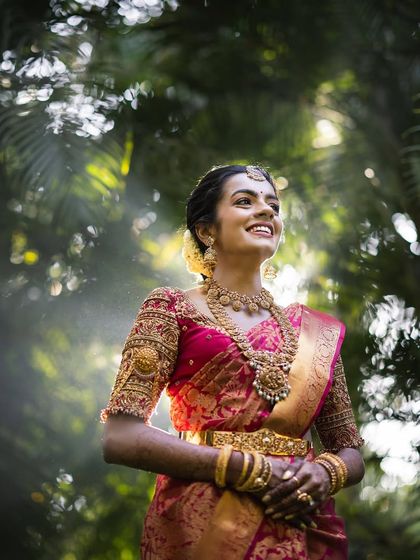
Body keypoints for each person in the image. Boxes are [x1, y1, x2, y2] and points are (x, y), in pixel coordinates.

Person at [101, 164, 365, 560]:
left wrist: (325, 473)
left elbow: (350, 451)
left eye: (273, 205)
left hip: (297, 523)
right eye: (245, 201)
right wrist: (248, 470)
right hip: (203, 524)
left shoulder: (314, 332)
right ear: (206, 230)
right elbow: (121, 437)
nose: (266, 211)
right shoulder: (171, 307)